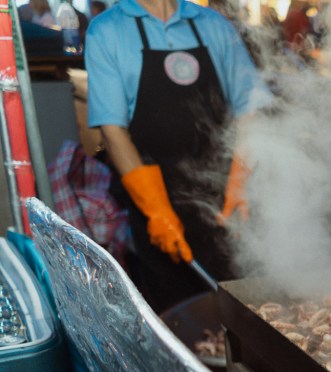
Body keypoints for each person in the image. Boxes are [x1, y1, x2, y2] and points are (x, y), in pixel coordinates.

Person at [85, 0, 270, 312]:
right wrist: (156, 210)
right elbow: (113, 131)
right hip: (154, 203)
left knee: (247, 311)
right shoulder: (107, 30)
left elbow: (250, 110)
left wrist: (239, 183)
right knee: (179, 317)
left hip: (227, 202)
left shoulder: (214, 25)